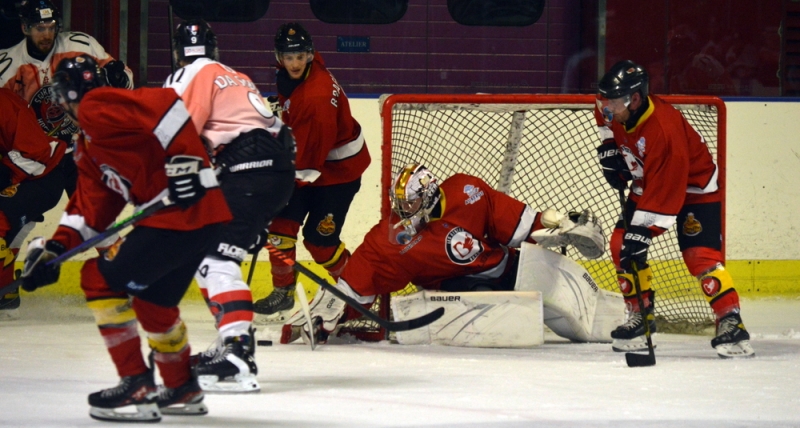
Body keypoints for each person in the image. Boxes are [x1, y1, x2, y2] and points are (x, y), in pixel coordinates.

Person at [20, 55, 232, 422]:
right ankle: (181, 386)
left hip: (178, 217)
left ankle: (135, 385)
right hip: (203, 219)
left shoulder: (96, 106)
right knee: (153, 304)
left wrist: (186, 161)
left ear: (68, 93)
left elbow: (167, 105)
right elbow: (90, 211)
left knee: (98, 280)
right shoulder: (89, 146)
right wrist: (55, 248)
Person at [280, 163, 607, 345]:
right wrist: (337, 305)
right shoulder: (394, 237)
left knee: (581, 319)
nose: (402, 211)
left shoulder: (467, 190)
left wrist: (558, 226)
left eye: (408, 204)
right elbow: (361, 278)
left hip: (508, 268)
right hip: (456, 292)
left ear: (428, 196)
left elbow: (519, 226)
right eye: (400, 205)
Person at [163, 19, 296, 393]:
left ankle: (237, 354)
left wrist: (169, 190)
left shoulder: (183, 77)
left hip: (244, 168)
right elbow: (282, 135)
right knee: (212, 256)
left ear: (177, 51)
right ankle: (231, 343)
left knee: (214, 262)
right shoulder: (236, 76)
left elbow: (181, 137)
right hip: (274, 170)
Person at [594, 59, 754, 358]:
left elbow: (666, 189)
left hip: (694, 188)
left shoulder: (664, 131)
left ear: (636, 99)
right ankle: (640, 317)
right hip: (650, 181)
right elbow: (604, 119)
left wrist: (642, 232)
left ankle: (731, 320)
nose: (606, 107)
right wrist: (609, 148)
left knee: (699, 256)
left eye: (613, 102)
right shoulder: (614, 107)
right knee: (621, 245)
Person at [252, 22, 370, 319]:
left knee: (320, 243)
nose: (294, 63)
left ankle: (362, 295)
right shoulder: (305, 70)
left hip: (337, 174)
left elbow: (305, 166)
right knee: (280, 227)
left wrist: (269, 193)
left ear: (310, 54)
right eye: (288, 57)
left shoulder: (315, 101)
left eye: (299, 57)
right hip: (315, 159)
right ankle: (283, 293)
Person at [0, 0, 133, 196]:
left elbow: (126, 83)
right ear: (25, 28)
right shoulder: (8, 66)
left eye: (51, 27)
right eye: (39, 28)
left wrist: (120, 79)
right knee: (21, 216)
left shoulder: (81, 45)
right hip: (38, 154)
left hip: (82, 148)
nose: (46, 35)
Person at [0, 87, 69, 311]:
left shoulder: (6, 105)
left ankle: (4, 290)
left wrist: (7, 177)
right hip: (18, 176)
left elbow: (37, 154)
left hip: (41, 177)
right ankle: (7, 291)